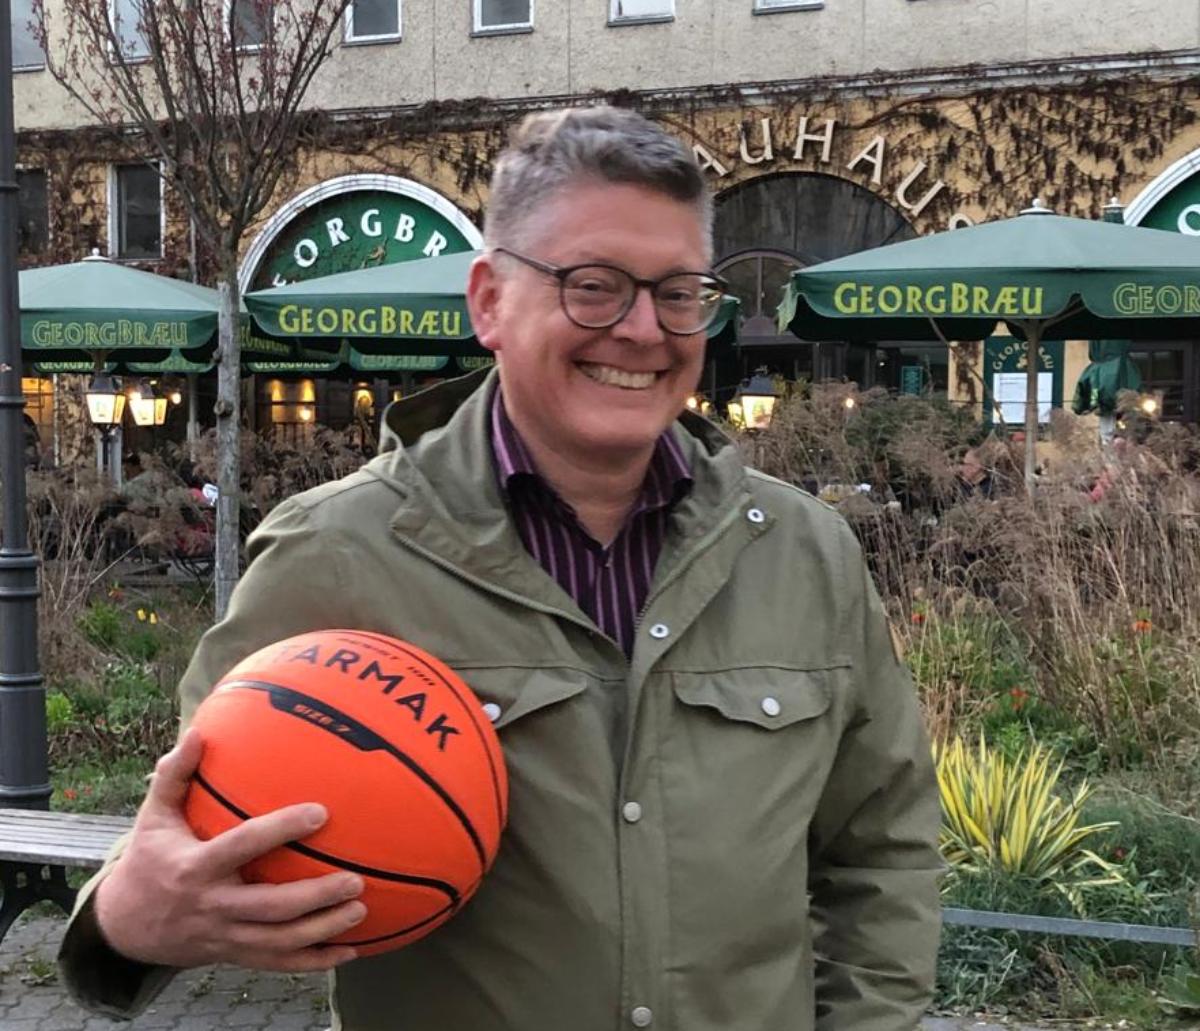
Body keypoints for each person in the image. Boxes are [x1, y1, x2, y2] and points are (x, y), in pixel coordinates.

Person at [60, 106, 942, 1030]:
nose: (644, 329)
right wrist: (128, 921)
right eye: (594, 286)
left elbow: (880, 850)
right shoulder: (338, 551)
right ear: (489, 301)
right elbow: (191, 837)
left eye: (680, 291)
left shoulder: (806, 552)